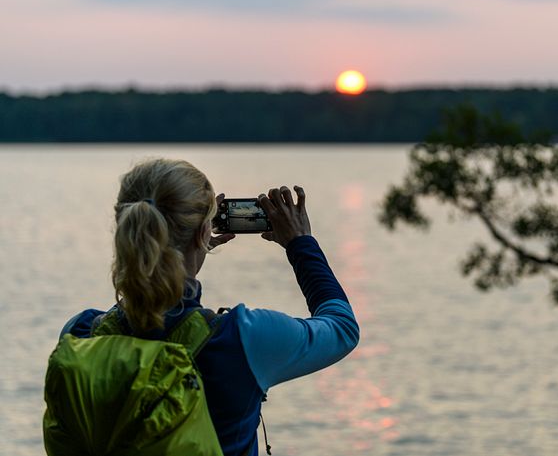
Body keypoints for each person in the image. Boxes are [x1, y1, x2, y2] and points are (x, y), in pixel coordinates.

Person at [56, 158, 360, 456]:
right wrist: (300, 243)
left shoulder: (80, 334)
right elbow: (342, 327)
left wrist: (179, 254)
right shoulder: (242, 340)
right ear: (203, 233)